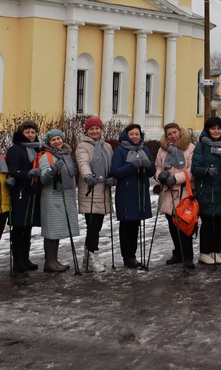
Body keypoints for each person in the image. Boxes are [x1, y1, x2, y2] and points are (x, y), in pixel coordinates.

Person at [110, 124, 153, 269]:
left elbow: (151, 171)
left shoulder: (145, 149)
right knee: (127, 225)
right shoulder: (120, 151)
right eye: (132, 134)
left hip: (140, 193)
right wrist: (132, 166)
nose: (135, 136)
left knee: (136, 225)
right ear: (126, 135)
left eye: (137, 134)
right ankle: (127, 256)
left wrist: (146, 164)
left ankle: (133, 255)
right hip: (126, 194)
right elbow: (116, 171)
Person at [75, 117, 115, 273]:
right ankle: (91, 257)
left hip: (103, 190)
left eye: (97, 128)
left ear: (101, 129)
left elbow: (111, 165)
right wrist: (87, 176)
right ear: (86, 131)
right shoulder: (82, 146)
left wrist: (113, 176)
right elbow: (82, 163)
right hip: (90, 189)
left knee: (97, 226)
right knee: (92, 226)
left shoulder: (107, 147)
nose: (94, 131)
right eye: (91, 129)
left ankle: (89, 257)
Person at [37, 129, 80, 273]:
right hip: (51, 196)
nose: (57, 142)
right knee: (51, 229)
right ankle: (49, 262)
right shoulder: (46, 156)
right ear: (48, 142)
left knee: (58, 229)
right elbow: (43, 178)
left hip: (65, 195)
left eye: (58, 138)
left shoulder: (66, 154)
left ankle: (54, 260)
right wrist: (52, 170)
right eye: (53, 140)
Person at [155, 122, 196, 269]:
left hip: (184, 192)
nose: (173, 136)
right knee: (172, 225)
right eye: (169, 134)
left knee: (185, 225)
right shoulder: (162, 150)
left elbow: (192, 171)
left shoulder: (190, 148)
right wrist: (161, 176)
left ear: (179, 132)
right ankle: (178, 253)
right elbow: (157, 168)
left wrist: (177, 178)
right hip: (168, 193)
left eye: (174, 132)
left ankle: (188, 256)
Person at [192, 116, 221, 266]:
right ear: (208, 130)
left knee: (219, 220)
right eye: (213, 128)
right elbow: (195, 167)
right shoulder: (201, 145)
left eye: (219, 128)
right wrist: (206, 170)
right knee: (208, 220)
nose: (216, 131)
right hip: (207, 189)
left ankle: (215, 251)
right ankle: (204, 252)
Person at [6, 120, 42, 278]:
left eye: (33, 132)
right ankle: (17, 261)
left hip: (32, 191)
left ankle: (25, 258)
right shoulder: (15, 149)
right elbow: (12, 170)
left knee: (28, 227)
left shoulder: (36, 149)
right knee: (19, 226)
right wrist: (27, 174)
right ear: (22, 133)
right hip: (20, 191)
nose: (30, 135)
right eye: (27, 132)